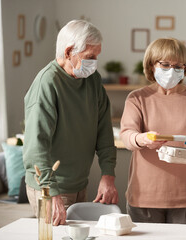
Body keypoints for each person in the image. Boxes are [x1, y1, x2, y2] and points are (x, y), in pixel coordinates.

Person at [23, 20, 119, 226]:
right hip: (50, 187)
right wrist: (51, 192)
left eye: (96, 57)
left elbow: (104, 131)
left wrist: (108, 175)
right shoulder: (46, 84)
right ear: (68, 52)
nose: (94, 63)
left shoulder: (92, 80)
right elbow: (35, 148)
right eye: (89, 57)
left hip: (79, 184)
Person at [120, 37, 186, 224]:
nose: (172, 71)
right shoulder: (137, 98)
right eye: (165, 65)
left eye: (178, 66)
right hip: (145, 196)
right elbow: (127, 136)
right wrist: (143, 139)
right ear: (151, 66)